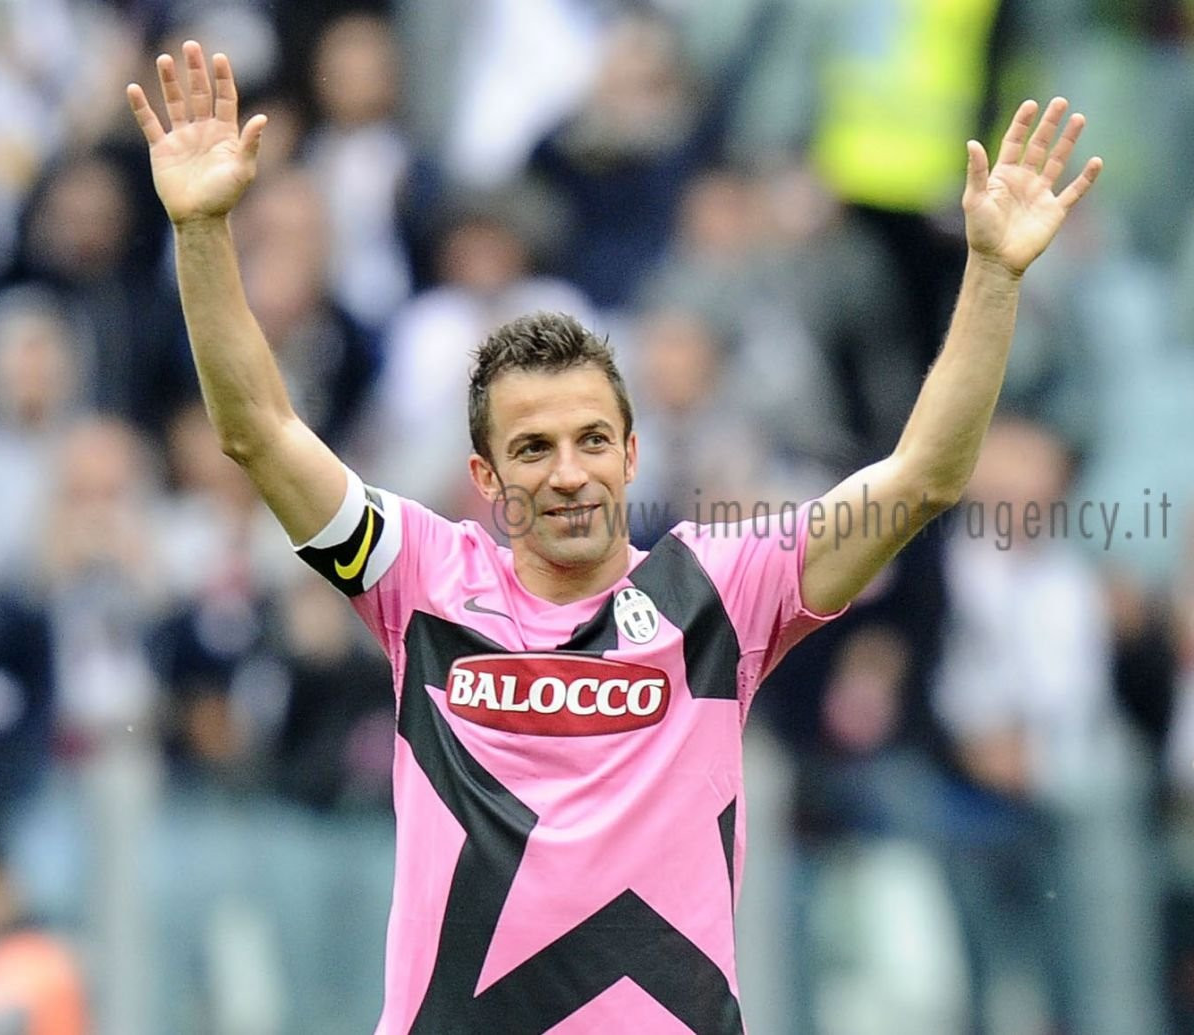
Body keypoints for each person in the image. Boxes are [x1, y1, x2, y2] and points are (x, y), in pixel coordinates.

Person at [125, 40, 1100, 1032]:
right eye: (532, 447)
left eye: (592, 439)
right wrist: (201, 229)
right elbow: (258, 432)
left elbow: (923, 478)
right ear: (485, 479)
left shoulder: (721, 591)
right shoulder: (419, 576)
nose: (568, 471)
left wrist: (993, 274)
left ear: (632, 456)